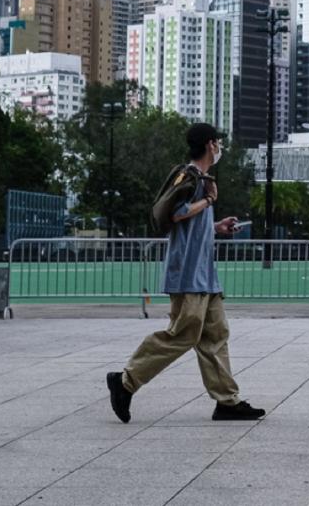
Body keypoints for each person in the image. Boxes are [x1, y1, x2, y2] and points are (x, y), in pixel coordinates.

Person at [107, 124, 265, 422]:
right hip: (189, 274)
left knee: (215, 335)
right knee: (182, 334)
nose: (219, 147)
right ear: (209, 145)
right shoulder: (191, 176)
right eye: (217, 142)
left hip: (206, 275)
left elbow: (191, 224)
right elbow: (177, 213)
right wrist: (208, 201)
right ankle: (125, 381)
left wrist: (217, 227)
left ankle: (227, 401)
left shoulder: (202, 179)